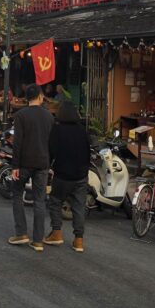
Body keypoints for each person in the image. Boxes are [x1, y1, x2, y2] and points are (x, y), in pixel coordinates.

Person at [8, 83, 54, 252]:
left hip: (25, 163)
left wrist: (15, 165)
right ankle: (38, 241)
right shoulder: (49, 117)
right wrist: (50, 162)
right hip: (42, 164)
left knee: (17, 194)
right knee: (39, 200)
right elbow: (52, 143)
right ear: (41, 97)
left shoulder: (21, 115)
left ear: (26, 98)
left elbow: (17, 143)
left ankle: (21, 233)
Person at [45, 101, 91, 253]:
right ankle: (79, 240)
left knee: (55, 201)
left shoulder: (57, 130)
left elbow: (51, 151)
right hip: (81, 175)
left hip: (63, 174)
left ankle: (56, 233)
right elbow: (88, 152)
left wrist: (49, 166)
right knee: (78, 207)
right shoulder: (82, 131)